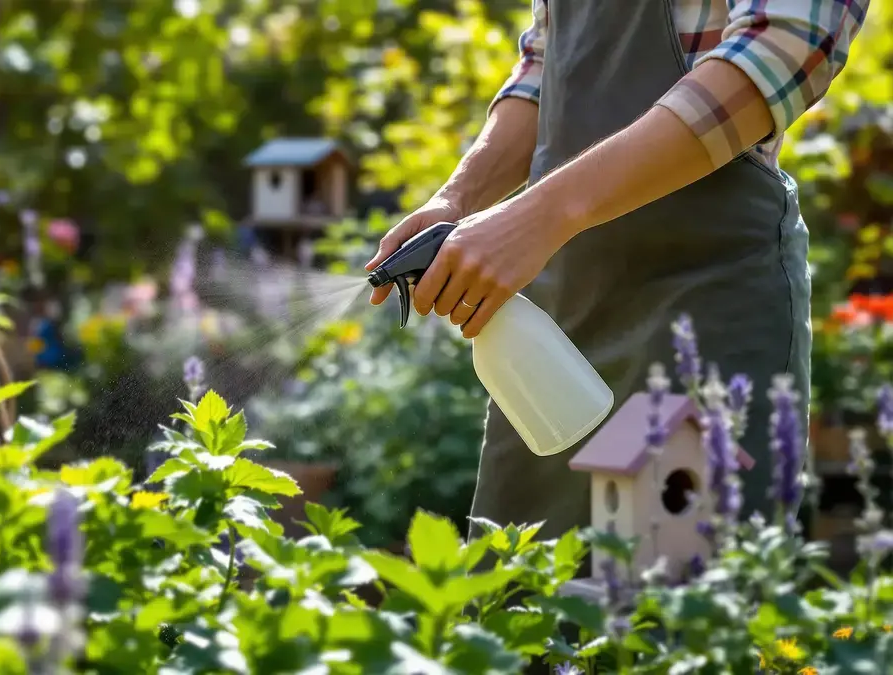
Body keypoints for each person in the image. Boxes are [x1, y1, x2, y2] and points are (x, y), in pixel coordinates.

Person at [367, 1, 870, 544]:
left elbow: (784, 47)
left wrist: (542, 215)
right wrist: (459, 198)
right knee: (517, 594)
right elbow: (546, 64)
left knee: (683, 594)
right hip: (553, 329)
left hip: (704, 299)